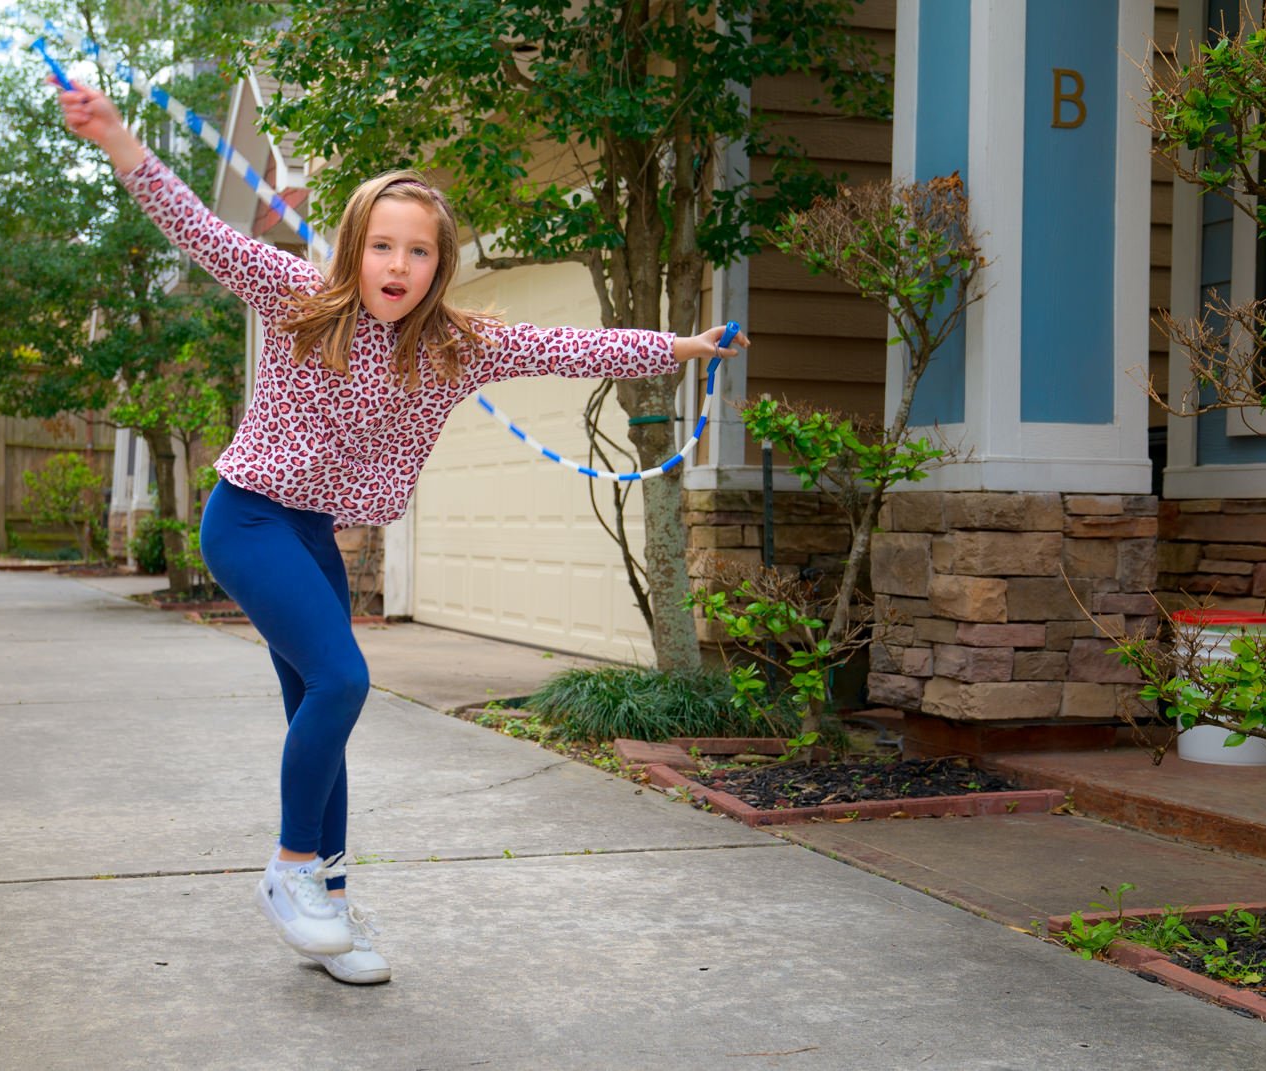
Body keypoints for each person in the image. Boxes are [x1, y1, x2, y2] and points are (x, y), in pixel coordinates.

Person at [57, 84, 748, 986]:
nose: (398, 263)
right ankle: (292, 872)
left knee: (321, 714)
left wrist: (680, 348)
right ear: (354, 248)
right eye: (382, 245)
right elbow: (199, 229)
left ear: (439, 264)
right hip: (248, 516)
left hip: (310, 533)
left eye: (418, 251)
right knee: (344, 677)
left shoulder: (460, 343)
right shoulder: (300, 295)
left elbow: (566, 345)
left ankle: (331, 911)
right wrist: (117, 139)